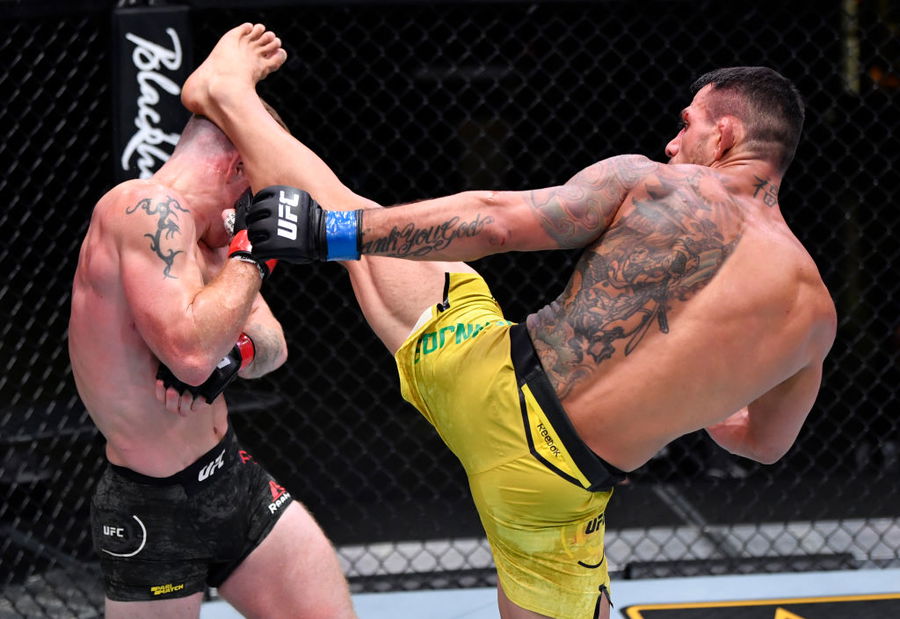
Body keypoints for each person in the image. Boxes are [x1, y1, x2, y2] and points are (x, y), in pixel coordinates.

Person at [181, 24, 837, 619]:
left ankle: (230, 96)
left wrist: (332, 233)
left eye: (687, 124)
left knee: (361, 222)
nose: (672, 142)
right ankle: (234, 102)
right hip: (557, 494)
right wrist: (690, 396)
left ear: (724, 135)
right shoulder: (814, 312)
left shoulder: (655, 183)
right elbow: (763, 443)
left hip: (488, 382)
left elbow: (495, 222)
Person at [68, 25, 356, 619]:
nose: (258, 198)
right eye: (261, 180)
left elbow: (273, 347)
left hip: (232, 478)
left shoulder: (211, 244)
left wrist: (236, 353)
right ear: (237, 165)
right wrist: (253, 254)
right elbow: (192, 355)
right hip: (153, 507)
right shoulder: (141, 208)